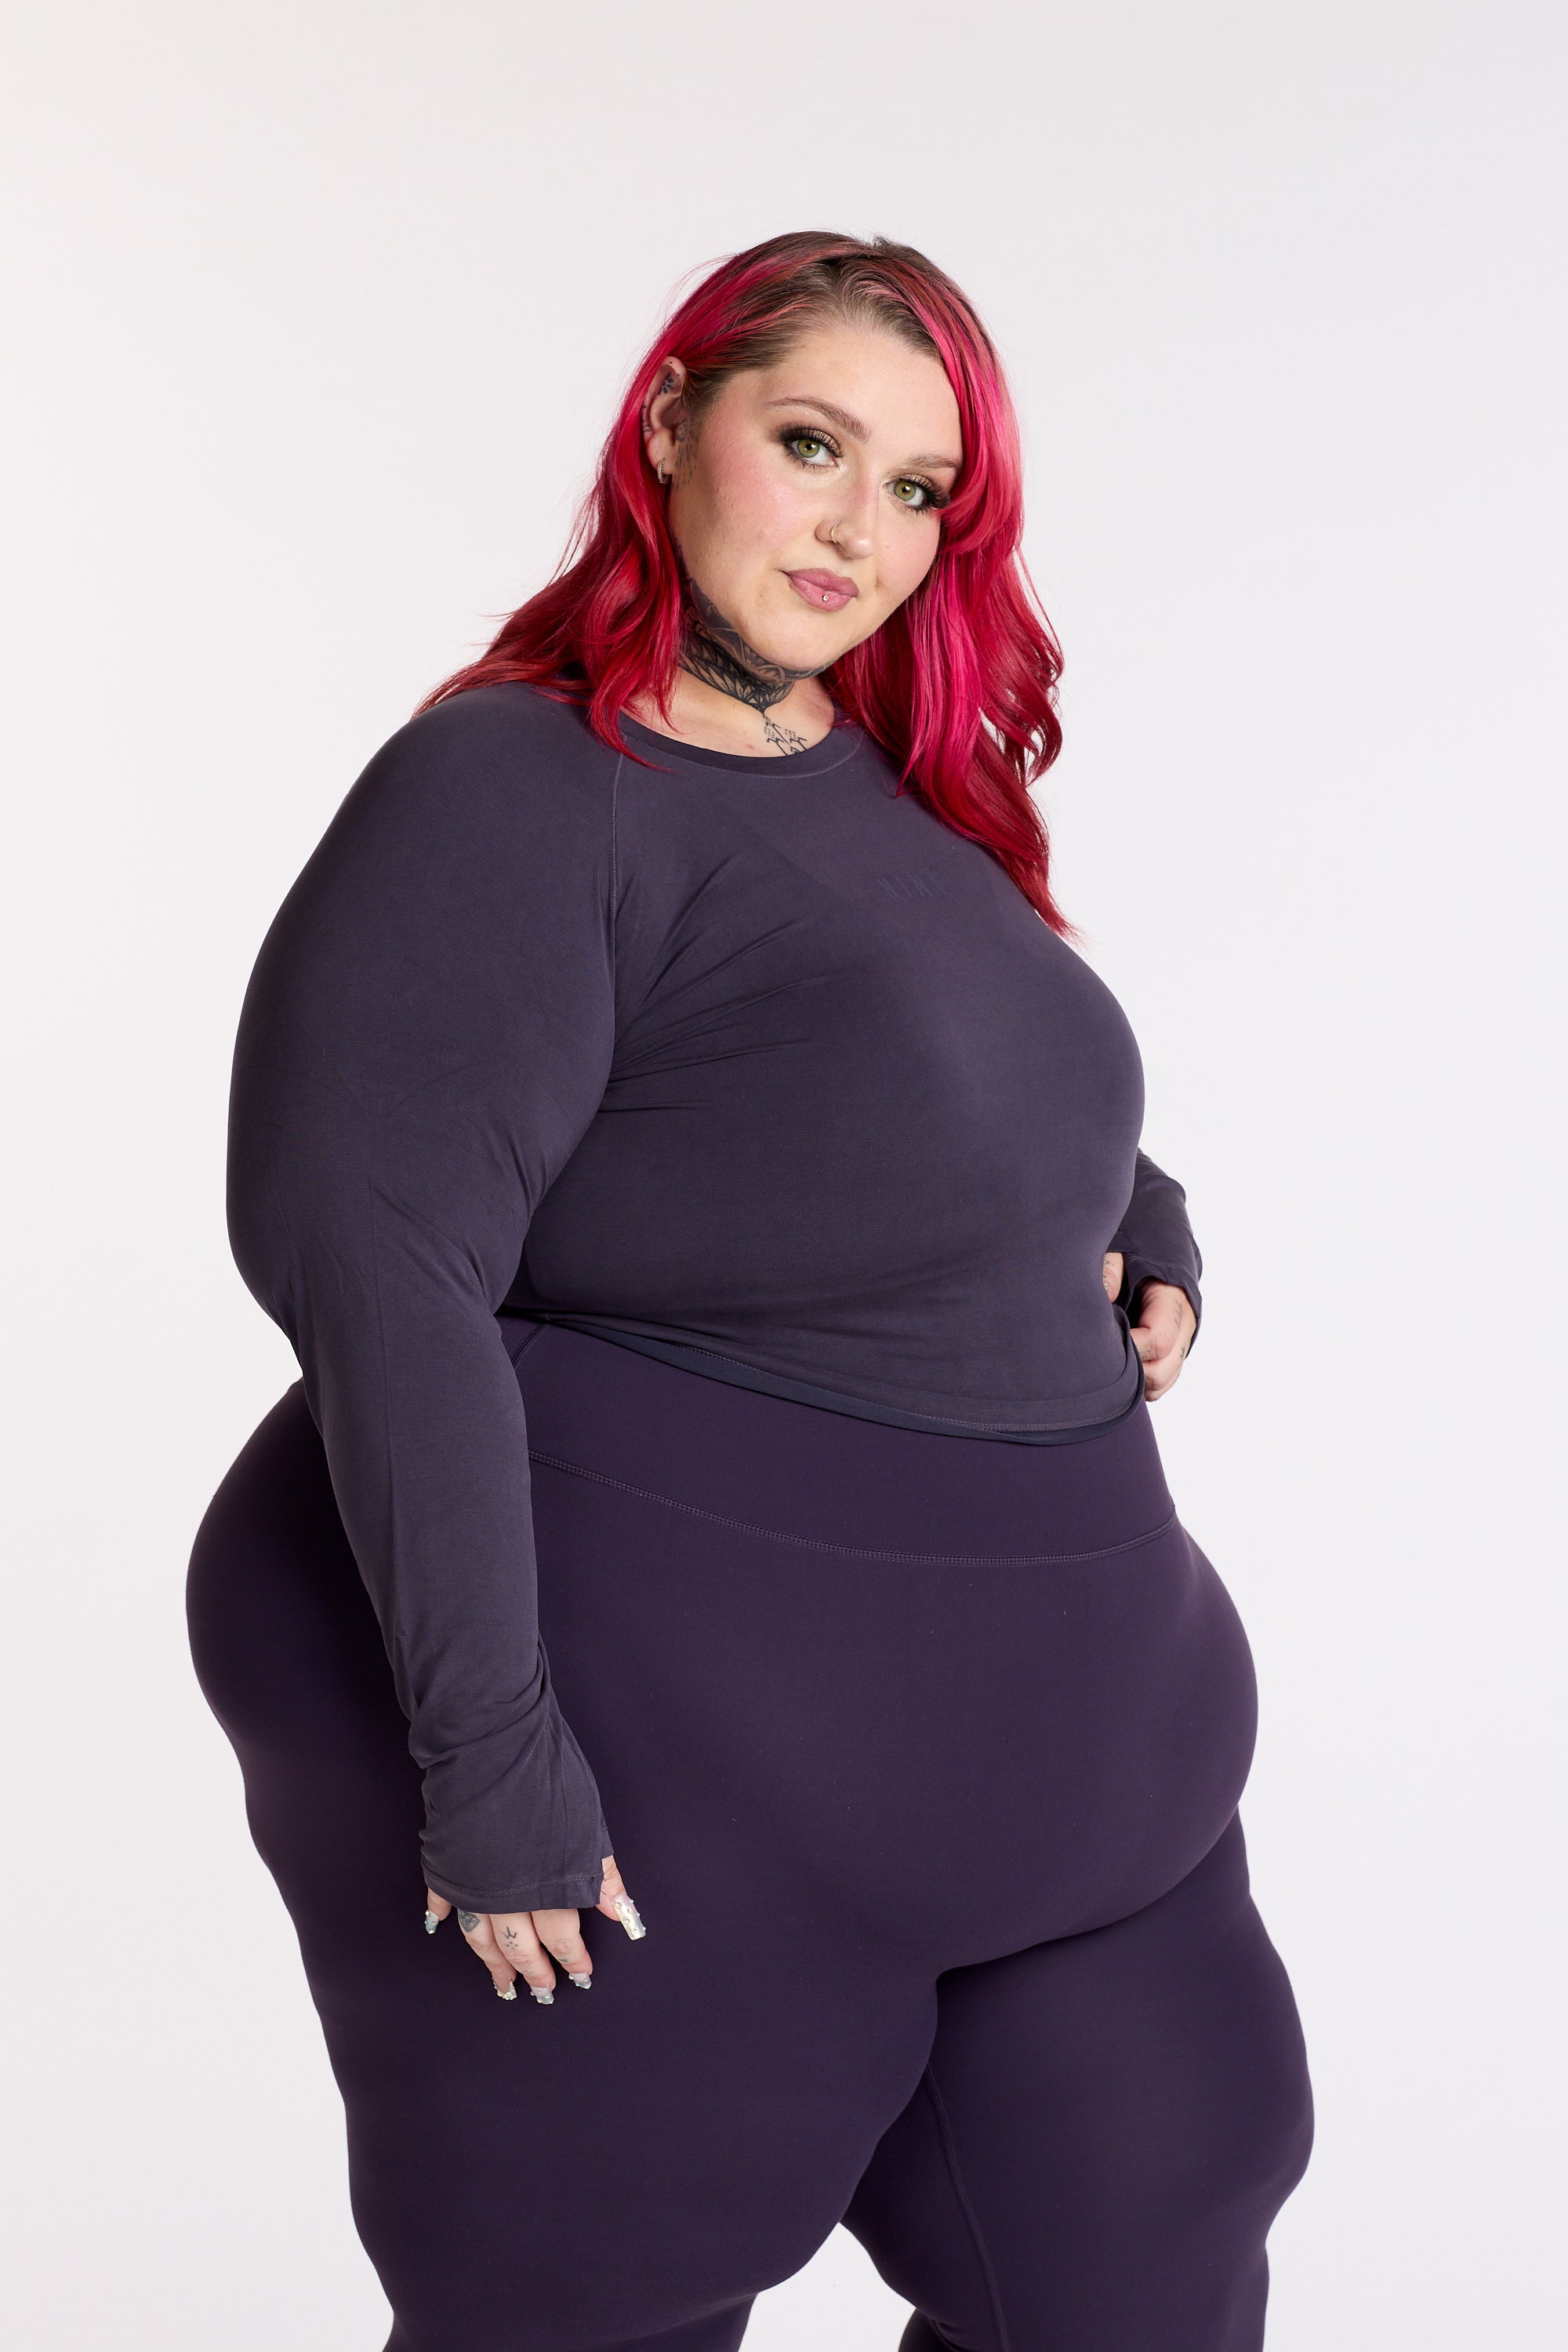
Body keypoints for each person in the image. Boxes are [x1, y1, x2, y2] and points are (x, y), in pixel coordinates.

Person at [188, 229, 1312, 2352]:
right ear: (670, 420)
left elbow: (950, 1086)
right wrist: (491, 1764)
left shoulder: (883, 783)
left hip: (1091, 1753)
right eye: (812, 444)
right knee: (597, 2297)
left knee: (1146, 2252)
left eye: (920, 490)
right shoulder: (520, 790)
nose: (859, 529)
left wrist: (1138, 1221)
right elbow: (379, 1264)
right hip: (676, 1763)